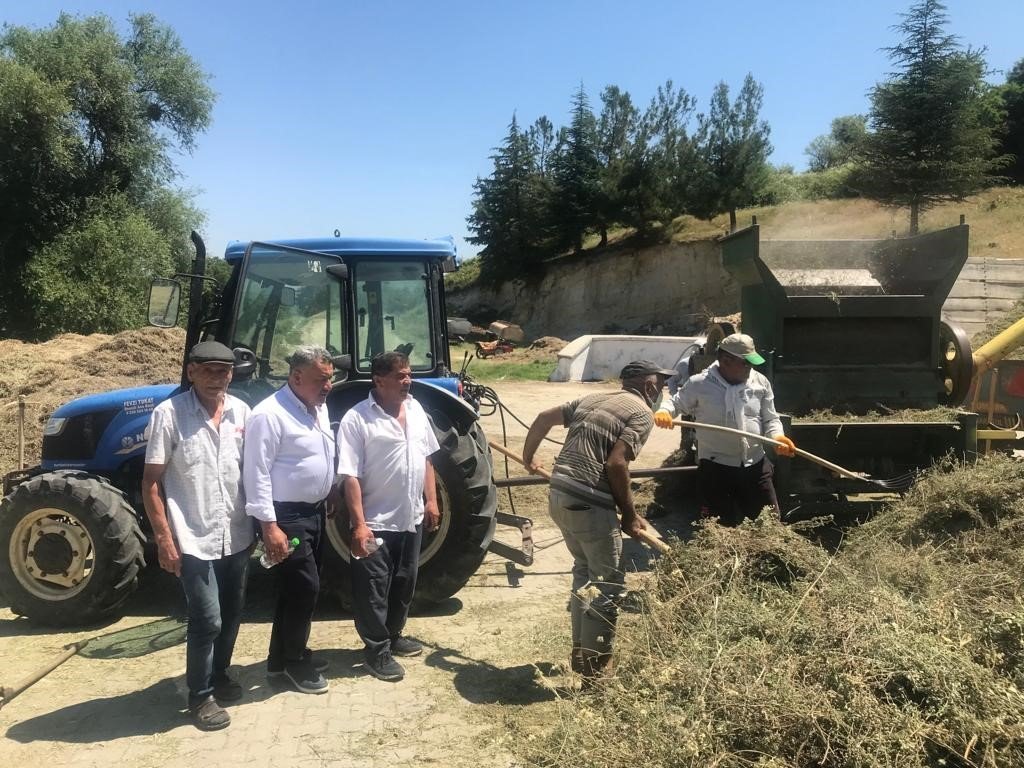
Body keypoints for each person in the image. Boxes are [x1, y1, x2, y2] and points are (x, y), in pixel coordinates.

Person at [521, 359, 673, 683]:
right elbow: (617, 464)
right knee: (607, 585)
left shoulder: (592, 399)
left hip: (559, 496)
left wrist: (528, 457)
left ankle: (581, 651)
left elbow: (543, 417)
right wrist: (630, 516)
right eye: (660, 385)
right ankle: (595, 669)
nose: (661, 391)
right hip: (588, 503)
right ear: (649, 386)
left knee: (583, 572)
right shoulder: (641, 412)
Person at [142, 341, 252, 731]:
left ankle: (220, 674)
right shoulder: (168, 415)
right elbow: (151, 483)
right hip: (192, 536)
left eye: (223, 371)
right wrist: (164, 538)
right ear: (191, 371)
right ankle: (200, 695)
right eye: (207, 369)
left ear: (232, 374)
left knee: (234, 612)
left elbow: (253, 472)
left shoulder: (242, 412)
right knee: (207, 618)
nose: (216, 377)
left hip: (236, 533)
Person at [336, 351, 440, 682]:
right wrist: (359, 524)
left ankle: (393, 636)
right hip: (375, 521)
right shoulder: (357, 418)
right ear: (379, 381)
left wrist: (433, 500)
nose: (407, 381)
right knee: (372, 589)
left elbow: (426, 458)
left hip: (411, 516)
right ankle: (376, 651)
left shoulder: (416, 409)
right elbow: (349, 476)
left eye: (409, 374)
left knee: (403, 582)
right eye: (400, 376)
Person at [243, 345, 336, 695]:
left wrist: (330, 490)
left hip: (313, 512)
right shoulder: (269, 415)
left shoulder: (316, 407)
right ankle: (295, 663)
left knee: (294, 589)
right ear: (296, 377)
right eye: (321, 380)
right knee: (304, 588)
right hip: (286, 516)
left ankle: (280, 659)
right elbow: (256, 473)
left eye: (330, 378)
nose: (328, 386)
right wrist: (269, 526)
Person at [654, 332, 796, 525]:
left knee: (769, 523)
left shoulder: (760, 382)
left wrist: (777, 437)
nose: (750, 367)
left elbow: (771, 418)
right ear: (726, 360)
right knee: (717, 528)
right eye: (746, 362)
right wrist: (664, 412)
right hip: (715, 468)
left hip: (755, 465)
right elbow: (676, 404)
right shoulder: (700, 384)